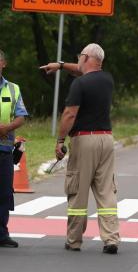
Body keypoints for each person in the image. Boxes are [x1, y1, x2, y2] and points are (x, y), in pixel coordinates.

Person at [40, 43, 120, 254]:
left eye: (80, 56)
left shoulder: (80, 84)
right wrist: (60, 65)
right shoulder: (108, 79)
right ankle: (111, 239)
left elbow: (69, 115)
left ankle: (74, 240)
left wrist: (59, 140)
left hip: (84, 141)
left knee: (77, 190)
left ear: (85, 57)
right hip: (107, 140)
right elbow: (82, 69)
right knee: (106, 191)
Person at [0, 49, 28, 248]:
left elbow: (21, 116)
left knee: (3, 193)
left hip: (4, 148)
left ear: (3, 64)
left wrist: (7, 128)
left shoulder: (13, 89)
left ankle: (1, 234)